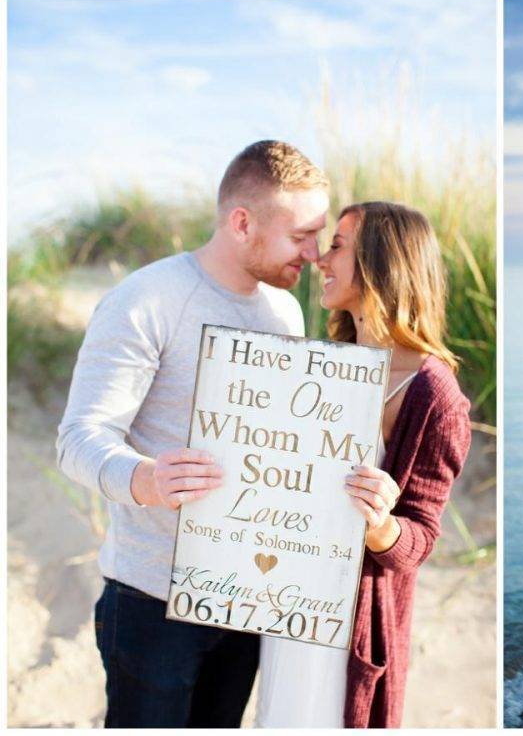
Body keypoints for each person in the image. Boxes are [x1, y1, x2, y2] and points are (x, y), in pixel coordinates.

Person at [55, 140, 330, 727]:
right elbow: (79, 437)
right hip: (151, 599)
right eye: (301, 235)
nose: (314, 252)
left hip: (246, 596)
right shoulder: (145, 300)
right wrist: (145, 478)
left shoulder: (286, 313)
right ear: (242, 223)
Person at [255, 202, 472, 728]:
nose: (320, 260)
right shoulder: (324, 365)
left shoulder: (434, 396)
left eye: (337, 245)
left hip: (347, 624)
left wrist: (379, 526)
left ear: (381, 261)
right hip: (287, 601)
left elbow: (418, 540)